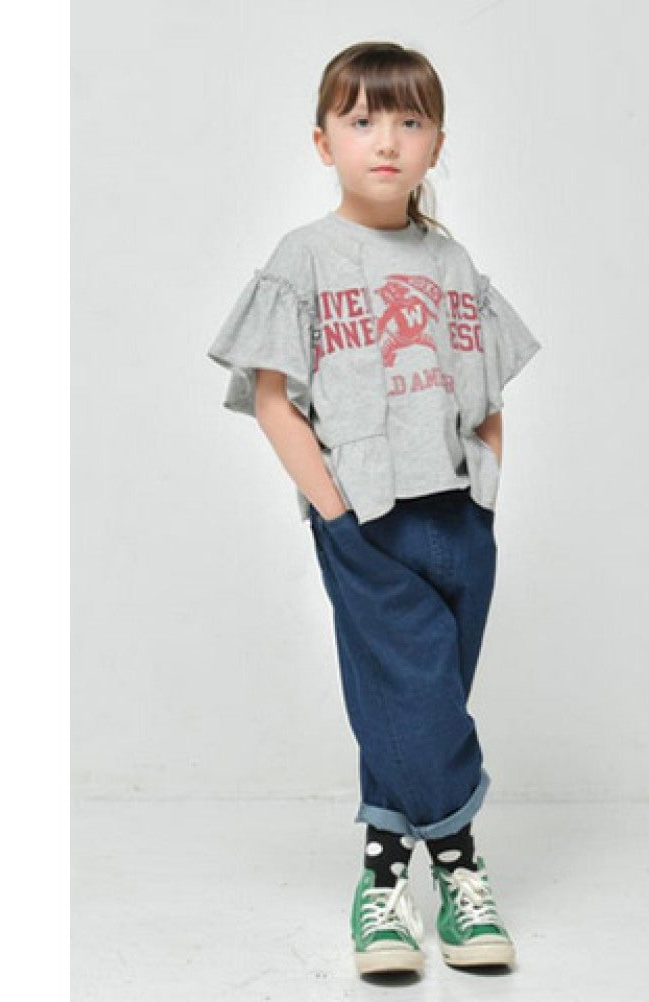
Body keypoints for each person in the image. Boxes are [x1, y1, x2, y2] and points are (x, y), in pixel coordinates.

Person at [206, 41, 542, 976]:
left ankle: (382, 881)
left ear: (437, 143)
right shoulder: (306, 257)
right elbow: (273, 398)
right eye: (362, 121)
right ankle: (460, 865)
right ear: (324, 142)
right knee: (419, 701)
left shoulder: (451, 261)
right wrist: (336, 513)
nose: (385, 141)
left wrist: (486, 499)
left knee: (410, 699)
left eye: (409, 121)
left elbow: (487, 389)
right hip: (369, 519)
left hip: (458, 519)